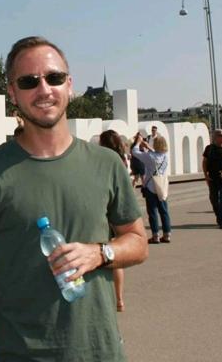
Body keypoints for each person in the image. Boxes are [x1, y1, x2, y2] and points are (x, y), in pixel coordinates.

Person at [0, 36, 148, 362]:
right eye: (29, 81)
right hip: (19, 353)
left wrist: (100, 253)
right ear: (12, 93)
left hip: (98, 351)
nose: (44, 89)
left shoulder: (106, 163)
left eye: (54, 77)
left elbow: (138, 242)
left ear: (69, 85)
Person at [99, 129, 129, 312]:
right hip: (119, 210)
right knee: (115, 257)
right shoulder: (122, 159)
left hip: (106, 211)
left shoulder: (104, 161)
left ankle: (108, 299)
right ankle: (119, 299)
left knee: (105, 254)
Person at [132, 134, 172, 244]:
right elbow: (156, 153)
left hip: (151, 186)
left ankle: (155, 236)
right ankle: (167, 234)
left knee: (152, 211)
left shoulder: (149, 156)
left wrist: (138, 142)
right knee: (164, 211)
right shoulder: (165, 157)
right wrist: (148, 147)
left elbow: (135, 152)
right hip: (162, 186)